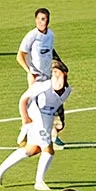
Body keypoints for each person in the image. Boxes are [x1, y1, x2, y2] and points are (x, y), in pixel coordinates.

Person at [0, 61, 71, 191]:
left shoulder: (67, 91)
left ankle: (0, 169)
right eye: (54, 74)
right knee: (48, 149)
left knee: (32, 149)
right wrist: (26, 119)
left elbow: (57, 106)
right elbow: (23, 100)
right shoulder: (43, 86)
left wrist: (59, 121)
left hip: (47, 120)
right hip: (37, 117)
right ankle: (39, 182)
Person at [16, 8, 61, 145]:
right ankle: (26, 131)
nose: (44, 22)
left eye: (46, 19)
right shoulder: (31, 36)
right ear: (36, 20)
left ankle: (51, 136)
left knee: (48, 105)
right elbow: (20, 56)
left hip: (47, 77)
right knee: (35, 105)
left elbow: (50, 51)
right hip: (36, 78)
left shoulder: (51, 35)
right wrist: (29, 71)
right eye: (41, 19)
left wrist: (59, 64)